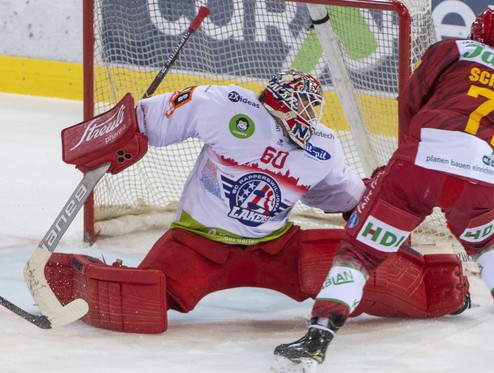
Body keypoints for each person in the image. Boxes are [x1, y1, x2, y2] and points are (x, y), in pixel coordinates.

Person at [273, 8, 494, 373]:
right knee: (487, 242)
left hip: (418, 163)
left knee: (361, 251)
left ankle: (317, 340)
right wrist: (476, 180)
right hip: (479, 177)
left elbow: (411, 99)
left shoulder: (453, 50)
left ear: (475, 30)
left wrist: (410, 156)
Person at [132, 70, 469, 321]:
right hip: (198, 241)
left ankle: (435, 288)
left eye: (314, 108)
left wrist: (377, 218)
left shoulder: (321, 145)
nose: (310, 116)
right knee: (140, 300)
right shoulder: (225, 106)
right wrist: (126, 133)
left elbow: (345, 196)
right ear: (280, 101)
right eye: (304, 105)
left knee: (351, 263)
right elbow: (150, 118)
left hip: (275, 246)